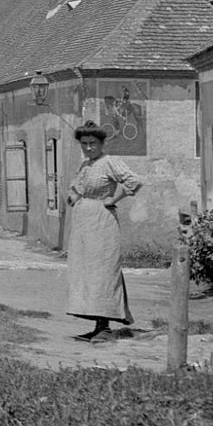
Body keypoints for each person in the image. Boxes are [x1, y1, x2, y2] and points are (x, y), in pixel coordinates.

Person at [65, 120, 142, 342]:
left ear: (101, 143)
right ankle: (98, 325)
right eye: (84, 144)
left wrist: (114, 198)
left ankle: (106, 328)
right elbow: (75, 189)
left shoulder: (109, 162)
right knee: (86, 273)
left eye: (93, 143)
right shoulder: (85, 166)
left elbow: (133, 181)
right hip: (83, 224)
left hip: (102, 222)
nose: (88, 148)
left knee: (103, 272)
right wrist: (73, 197)